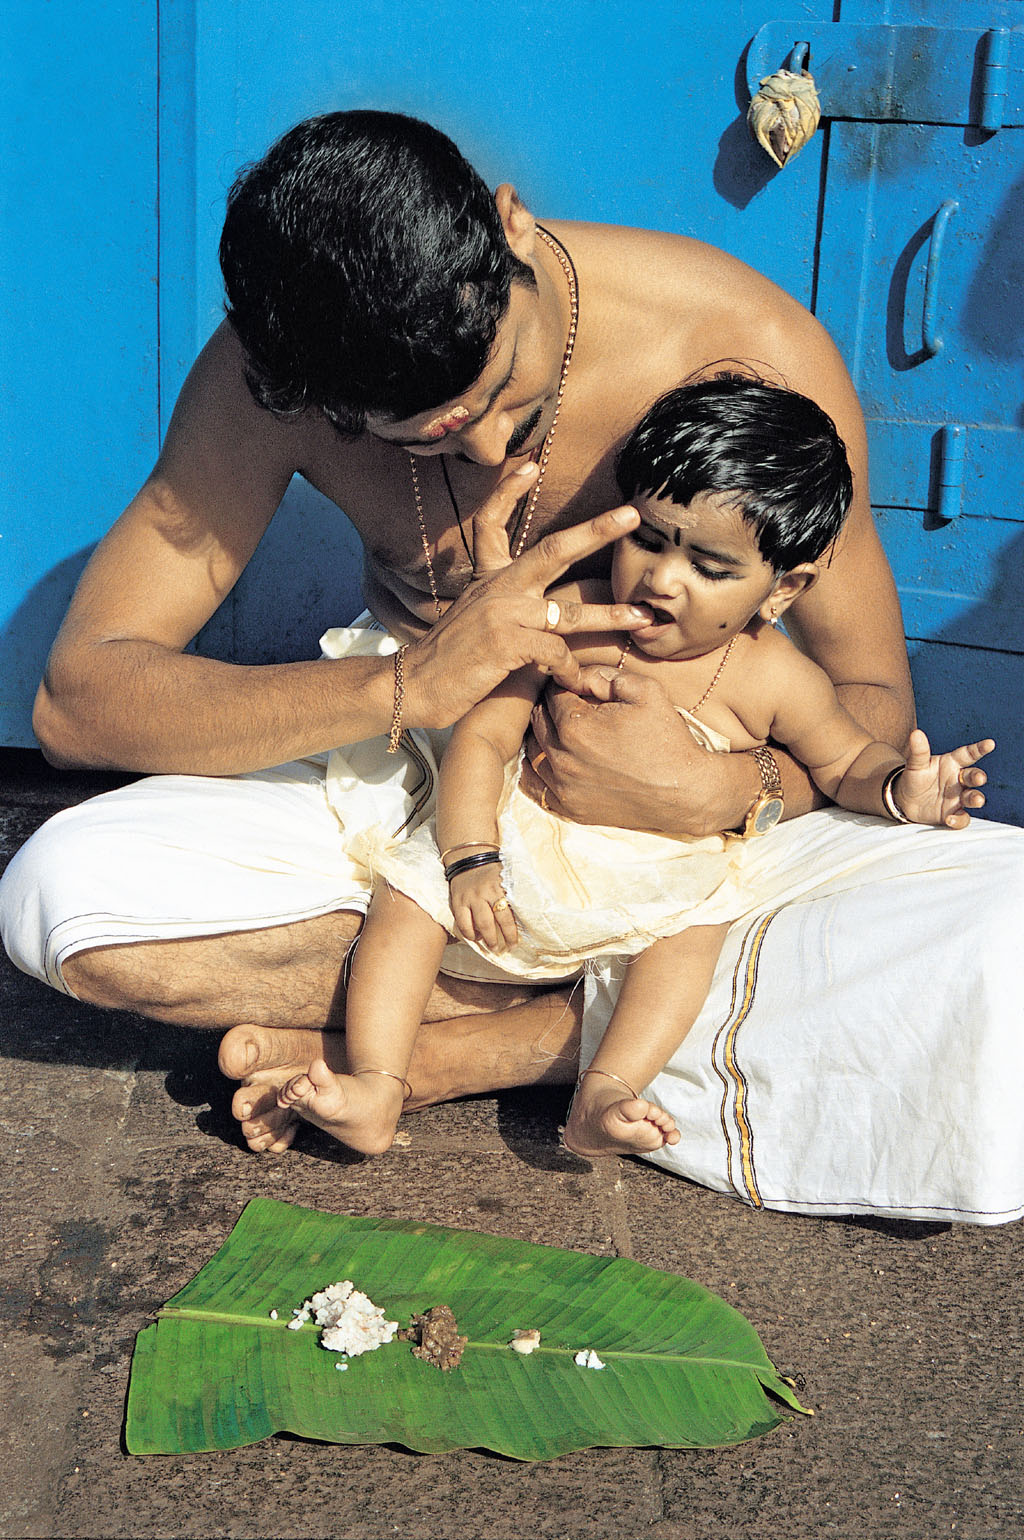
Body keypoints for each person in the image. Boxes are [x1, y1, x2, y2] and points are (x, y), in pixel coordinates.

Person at [1, 110, 1021, 1221]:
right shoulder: (269, 373)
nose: (489, 453)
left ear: (510, 227)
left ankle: (464, 1047)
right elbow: (77, 698)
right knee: (59, 904)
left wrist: (732, 790)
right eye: (424, 439)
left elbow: (868, 703)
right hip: (414, 792)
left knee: (997, 926)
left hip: (686, 834)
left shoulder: (741, 352)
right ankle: (585, 1021)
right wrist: (409, 687)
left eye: (499, 398)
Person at [272, 377, 994, 1160]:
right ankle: (378, 1085)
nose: (662, 579)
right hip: (521, 839)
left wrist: (901, 787)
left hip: (659, 873)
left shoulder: (772, 678)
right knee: (405, 900)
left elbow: (847, 759)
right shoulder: (571, 614)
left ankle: (608, 1087)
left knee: (692, 935)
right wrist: (469, 855)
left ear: (783, 588)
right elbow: (484, 737)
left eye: (711, 568)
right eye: (648, 539)